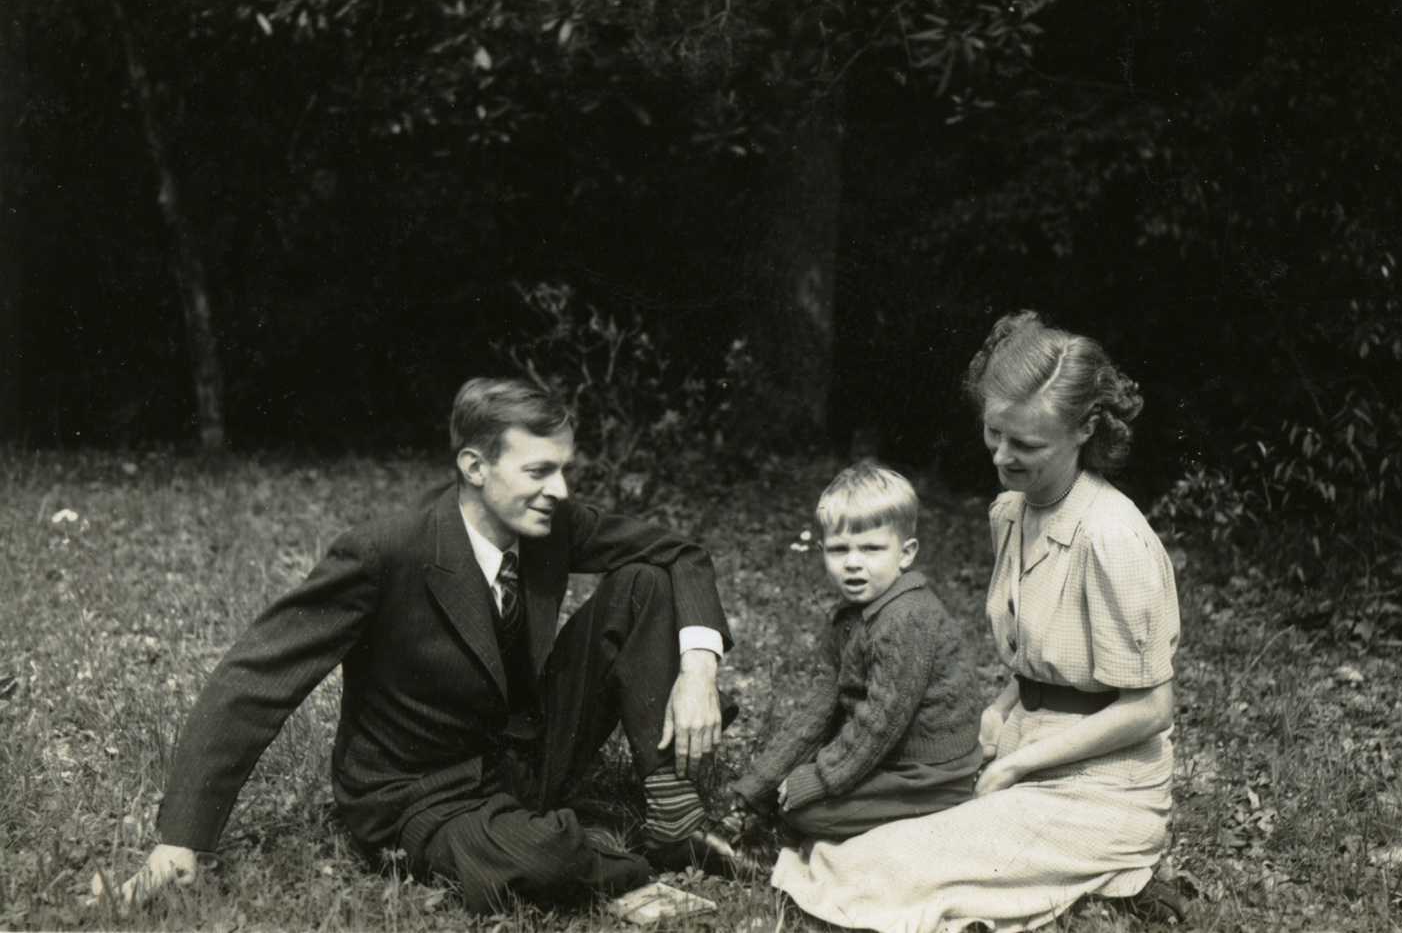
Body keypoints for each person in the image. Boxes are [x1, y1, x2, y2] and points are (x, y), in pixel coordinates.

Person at [113, 377, 742, 913]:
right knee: (537, 860)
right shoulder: (384, 552)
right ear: (474, 467)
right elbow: (254, 680)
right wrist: (181, 839)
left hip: (526, 756)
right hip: (419, 795)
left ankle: (671, 816)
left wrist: (697, 672)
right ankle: (594, 853)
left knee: (643, 583)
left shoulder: (548, 524)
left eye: (563, 469)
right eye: (539, 471)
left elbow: (680, 554)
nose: (561, 490)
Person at [772, 311, 1184, 932]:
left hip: (1101, 786)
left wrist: (1018, 764)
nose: (1003, 456)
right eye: (995, 433)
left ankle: (1121, 867)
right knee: (847, 834)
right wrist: (998, 712)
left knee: (872, 869)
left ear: (1085, 431)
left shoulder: (1111, 537)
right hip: (1020, 746)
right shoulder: (1011, 513)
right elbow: (1042, 661)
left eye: (1028, 445)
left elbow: (1150, 708)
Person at [725, 461, 981, 842]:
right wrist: (757, 786)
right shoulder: (849, 618)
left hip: (931, 774)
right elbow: (819, 707)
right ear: (822, 551)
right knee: (791, 791)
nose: (853, 563)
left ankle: (939, 816)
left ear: (906, 553)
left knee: (804, 812)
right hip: (886, 757)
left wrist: (819, 778)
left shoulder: (906, 618)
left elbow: (879, 723)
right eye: (839, 549)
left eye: (872, 549)